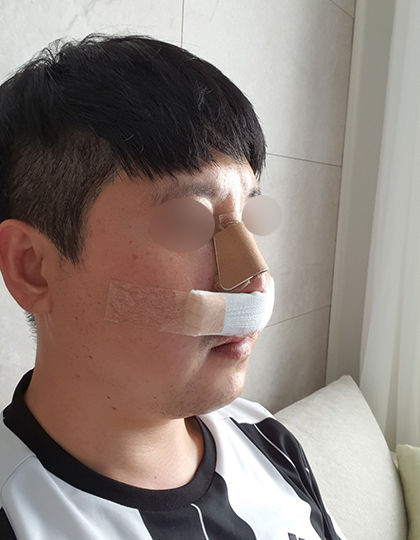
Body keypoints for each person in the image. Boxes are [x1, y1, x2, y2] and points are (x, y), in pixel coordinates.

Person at [0, 34, 346, 539]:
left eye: (248, 215)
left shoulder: (267, 441)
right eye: (188, 222)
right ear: (32, 267)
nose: (255, 279)